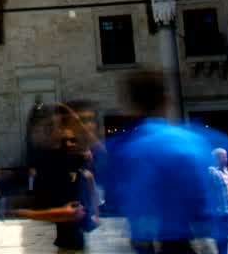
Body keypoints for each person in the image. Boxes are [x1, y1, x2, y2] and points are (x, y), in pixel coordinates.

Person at [102, 71, 211, 254]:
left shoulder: (122, 148)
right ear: (165, 100)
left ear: (130, 103)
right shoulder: (192, 142)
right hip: (181, 241)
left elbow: (116, 196)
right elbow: (205, 197)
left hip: (147, 242)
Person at [17, 102, 100, 252]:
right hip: (65, 239)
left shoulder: (81, 169)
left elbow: (92, 146)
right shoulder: (55, 163)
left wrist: (94, 211)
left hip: (74, 238)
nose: (70, 143)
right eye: (65, 141)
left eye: (73, 140)